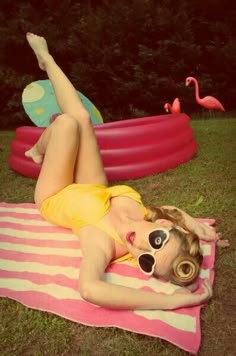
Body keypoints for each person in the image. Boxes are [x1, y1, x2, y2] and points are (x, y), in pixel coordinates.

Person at [25, 33, 229, 310]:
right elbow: (172, 211)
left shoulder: (103, 244)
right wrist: (193, 225)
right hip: (94, 188)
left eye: (147, 261)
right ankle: (46, 61)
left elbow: (90, 288)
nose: (142, 248)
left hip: (56, 194)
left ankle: (40, 147)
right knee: (82, 119)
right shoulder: (149, 216)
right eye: (156, 241)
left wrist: (168, 302)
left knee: (66, 125)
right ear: (163, 227)